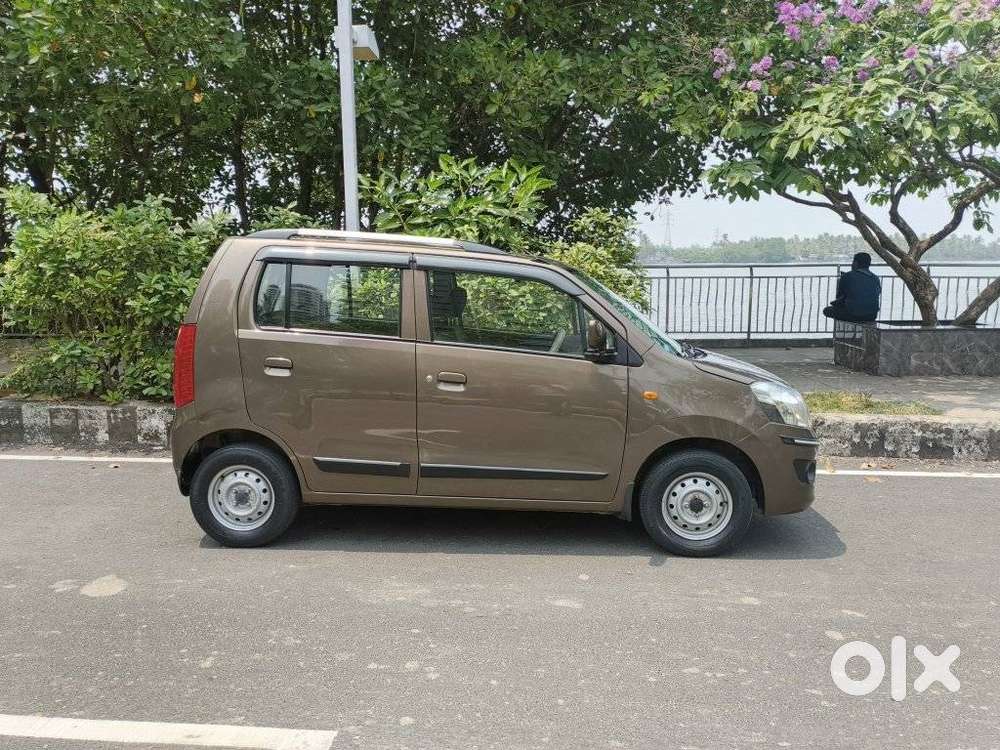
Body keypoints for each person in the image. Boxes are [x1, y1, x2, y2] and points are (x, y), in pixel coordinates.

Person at [823, 252, 881, 323]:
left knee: (827, 310)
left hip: (853, 314)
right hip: (872, 315)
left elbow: (840, 297)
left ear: (855, 263)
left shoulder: (847, 276)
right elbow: (877, 294)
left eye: (853, 261)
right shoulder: (875, 278)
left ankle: (846, 329)